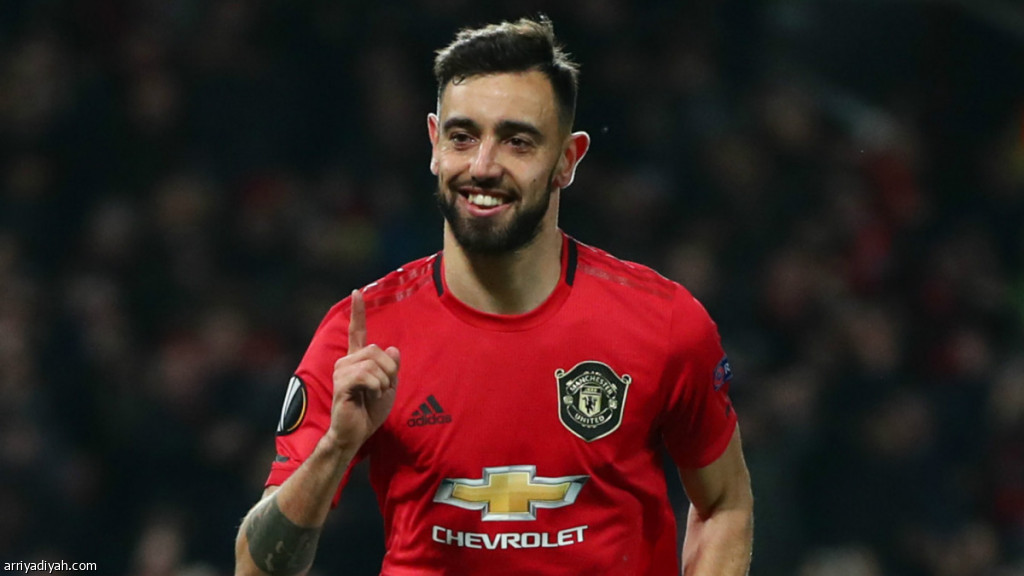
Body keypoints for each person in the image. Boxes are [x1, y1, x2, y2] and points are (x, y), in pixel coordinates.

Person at [235, 16, 753, 576]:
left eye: (517, 141)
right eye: (462, 137)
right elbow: (256, 568)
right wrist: (335, 449)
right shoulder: (361, 336)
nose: (482, 167)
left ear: (567, 160)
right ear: (434, 145)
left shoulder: (662, 323)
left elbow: (724, 504)